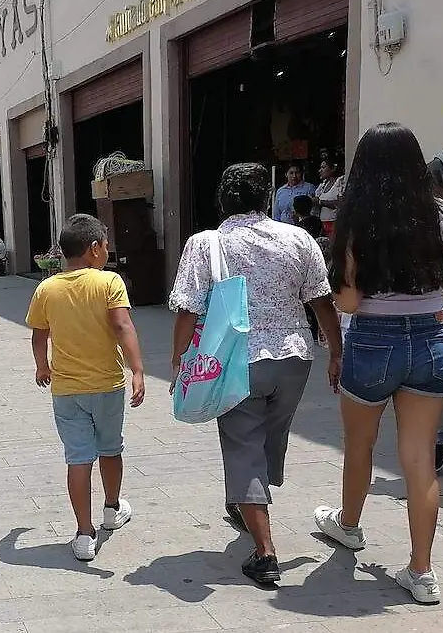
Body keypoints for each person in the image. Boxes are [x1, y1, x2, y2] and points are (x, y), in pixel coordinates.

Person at [169, 163, 341, 585]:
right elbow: (321, 301)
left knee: (243, 443)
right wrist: (336, 351)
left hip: (236, 362)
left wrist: (179, 362)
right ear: (267, 197)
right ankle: (249, 499)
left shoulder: (207, 244)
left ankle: (264, 552)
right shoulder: (298, 238)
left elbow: (188, 308)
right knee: (270, 437)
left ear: (223, 200)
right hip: (294, 358)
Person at [313, 123, 443, 605]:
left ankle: (349, 525)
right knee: (419, 461)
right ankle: (422, 572)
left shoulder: (361, 220)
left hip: (374, 341)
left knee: (360, 444)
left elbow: (350, 303)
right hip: (434, 339)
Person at [26, 214, 145, 562]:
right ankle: (111, 509)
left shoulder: (47, 288)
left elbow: (39, 336)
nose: (107, 251)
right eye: (106, 245)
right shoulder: (110, 282)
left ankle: (83, 532)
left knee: (78, 459)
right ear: (94, 249)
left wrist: (42, 366)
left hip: (66, 390)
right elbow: (124, 326)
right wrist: (137, 370)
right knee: (111, 450)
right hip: (107, 385)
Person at [315, 159, 346, 237]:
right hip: (323, 224)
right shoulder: (323, 185)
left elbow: (340, 204)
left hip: (334, 223)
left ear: (333, 168)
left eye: (323, 167)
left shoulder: (340, 182)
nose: (320, 170)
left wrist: (320, 202)